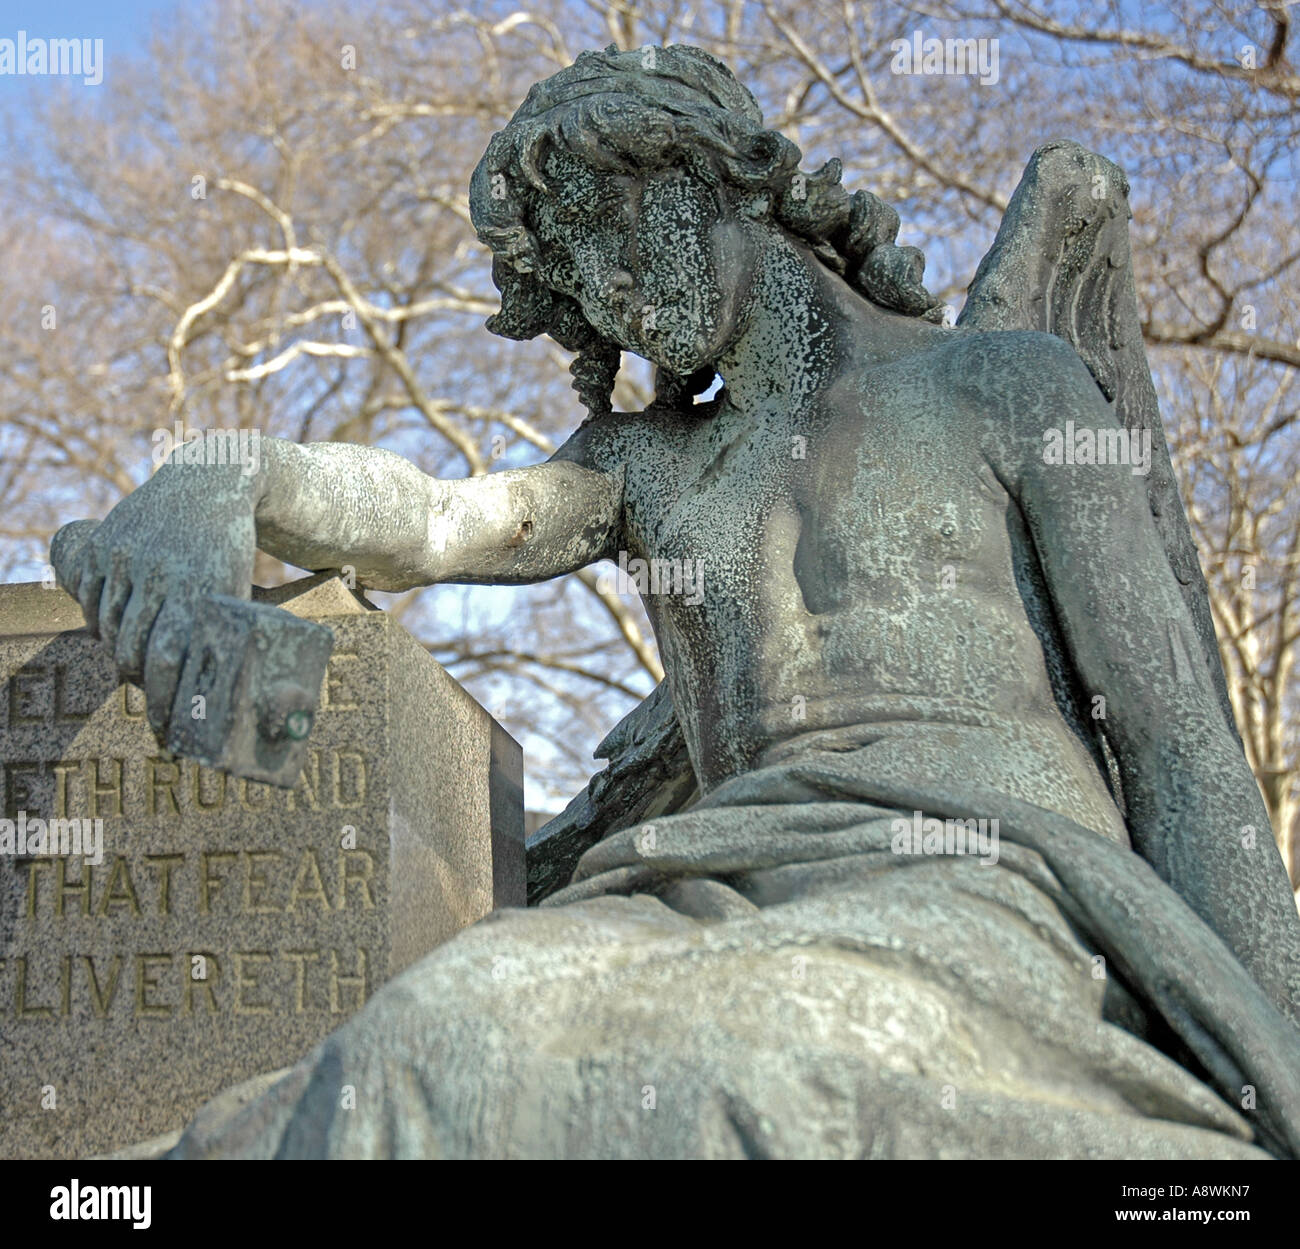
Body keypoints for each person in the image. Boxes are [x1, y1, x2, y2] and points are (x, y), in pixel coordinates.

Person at [54, 45, 1300, 1159]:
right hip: (711, 878)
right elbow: (432, 521)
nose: (606, 298)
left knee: (759, 1055)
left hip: (989, 877)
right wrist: (230, 469)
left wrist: (1272, 1057)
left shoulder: (1003, 383)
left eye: (610, 234)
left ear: (710, 174)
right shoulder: (643, 469)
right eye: (573, 280)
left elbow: (1172, 739)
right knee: (438, 1030)